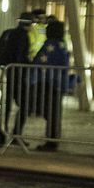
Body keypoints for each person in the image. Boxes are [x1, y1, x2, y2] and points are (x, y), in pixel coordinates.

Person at [0, 12, 34, 148]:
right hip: (18, 75)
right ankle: (16, 134)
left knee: (5, 107)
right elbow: (21, 57)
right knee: (25, 105)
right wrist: (31, 65)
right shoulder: (23, 36)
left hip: (5, 72)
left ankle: (1, 137)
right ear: (28, 24)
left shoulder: (7, 33)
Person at [30, 20, 70, 152]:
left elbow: (39, 61)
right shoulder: (62, 45)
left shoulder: (51, 45)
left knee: (50, 112)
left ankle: (51, 141)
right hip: (58, 83)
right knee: (55, 113)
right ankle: (53, 139)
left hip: (49, 83)